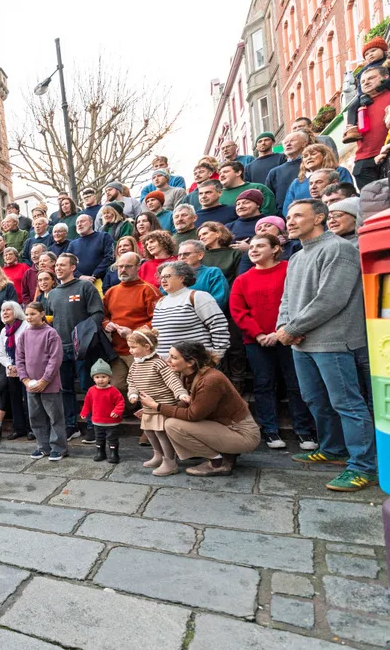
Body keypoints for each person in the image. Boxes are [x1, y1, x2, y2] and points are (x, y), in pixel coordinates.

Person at [277, 199, 377, 491]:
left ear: (320, 217)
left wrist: (293, 328)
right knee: (315, 400)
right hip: (301, 343)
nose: (290, 221)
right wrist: (284, 326)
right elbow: (287, 299)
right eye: (288, 216)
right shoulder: (296, 257)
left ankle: (363, 466)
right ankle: (333, 449)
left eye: (298, 216)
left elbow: (331, 299)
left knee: (347, 404)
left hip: (334, 342)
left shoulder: (339, 249)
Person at [230, 233, 318, 451]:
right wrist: (259, 334)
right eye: (251, 247)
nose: (254, 249)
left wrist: (282, 332)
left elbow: (300, 299)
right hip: (257, 341)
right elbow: (238, 311)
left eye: (260, 245)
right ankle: (269, 429)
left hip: (291, 336)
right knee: (263, 384)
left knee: (296, 383)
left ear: (276, 248)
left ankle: (304, 429)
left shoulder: (290, 269)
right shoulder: (243, 279)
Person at [139, 342, 261, 476]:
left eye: (173, 357)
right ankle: (224, 454)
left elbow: (193, 415)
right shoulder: (186, 374)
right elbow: (186, 404)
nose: (168, 361)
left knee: (173, 425)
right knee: (170, 419)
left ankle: (217, 463)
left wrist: (157, 407)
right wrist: (153, 410)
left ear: (190, 362)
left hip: (242, 434)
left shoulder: (210, 380)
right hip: (225, 426)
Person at [43, 253, 104, 440]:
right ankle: (71, 425)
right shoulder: (52, 294)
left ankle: (93, 425)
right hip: (61, 349)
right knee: (66, 389)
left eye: (63, 265)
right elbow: (49, 321)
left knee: (88, 387)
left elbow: (97, 314)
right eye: (57, 266)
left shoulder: (85, 286)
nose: (59, 268)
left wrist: (83, 336)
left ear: (73, 267)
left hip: (83, 349)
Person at [126, 328, 191, 476]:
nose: (130, 351)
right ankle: (158, 455)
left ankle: (170, 461)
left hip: (162, 405)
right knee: (149, 431)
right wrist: (133, 393)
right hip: (147, 406)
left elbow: (172, 380)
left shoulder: (158, 363)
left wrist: (181, 393)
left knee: (161, 433)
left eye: (133, 347)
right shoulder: (135, 365)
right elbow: (132, 382)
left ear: (146, 347)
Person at [102, 252, 160, 396]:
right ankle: (126, 414)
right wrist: (106, 324)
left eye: (128, 266)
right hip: (118, 350)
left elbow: (159, 320)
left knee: (145, 388)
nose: (123, 270)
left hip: (142, 351)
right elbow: (103, 316)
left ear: (138, 267)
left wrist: (134, 333)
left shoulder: (148, 290)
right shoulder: (111, 292)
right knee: (117, 387)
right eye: (120, 266)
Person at [16, 302, 67, 460]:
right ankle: (43, 446)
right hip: (30, 385)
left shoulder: (51, 333)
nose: (29, 317)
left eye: (33, 314)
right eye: (27, 314)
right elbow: (19, 358)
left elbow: (55, 359)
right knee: (36, 417)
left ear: (42, 314)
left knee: (54, 417)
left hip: (49, 385)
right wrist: (24, 379)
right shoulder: (24, 334)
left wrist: (45, 380)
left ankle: (59, 447)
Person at [151, 260, 230, 360]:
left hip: (194, 365)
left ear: (181, 277)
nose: (163, 280)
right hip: (166, 368)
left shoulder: (198, 296)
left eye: (167, 276)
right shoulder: (160, 302)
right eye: (161, 277)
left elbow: (219, 326)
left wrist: (216, 357)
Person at [0, 300, 31, 440]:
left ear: (16, 311)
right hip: (12, 370)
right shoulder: (4, 331)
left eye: (8, 310)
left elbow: (30, 349)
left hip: (27, 368)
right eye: (3, 311)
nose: (5, 313)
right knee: (15, 398)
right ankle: (19, 428)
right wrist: (10, 365)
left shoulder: (26, 326)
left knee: (28, 399)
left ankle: (31, 428)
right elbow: (0, 353)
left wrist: (20, 365)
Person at [282, 143, 354, 215]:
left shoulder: (339, 171)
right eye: (305, 156)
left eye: (313, 154)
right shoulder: (297, 182)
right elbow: (287, 209)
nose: (309, 158)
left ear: (325, 155)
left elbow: (347, 194)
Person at [350, 65, 390, 188]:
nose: (366, 82)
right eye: (363, 81)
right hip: (364, 160)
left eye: (371, 78)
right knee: (372, 204)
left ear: (385, 77)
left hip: (386, 153)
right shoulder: (358, 104)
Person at [80, 359, 125, 463]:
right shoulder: (91, 390)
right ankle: (100, 452)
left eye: (103, 377)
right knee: (99, 438)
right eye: (97, 377)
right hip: (97, 420)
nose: (100, 380)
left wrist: (117, 411)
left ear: (109, 377)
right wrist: (84, 412)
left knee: (112, 438)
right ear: (93, 378)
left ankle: (114, 454)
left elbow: (120, 402)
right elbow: (87, 403)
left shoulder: (113, 390)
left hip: (112, 421)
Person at [175, 239, 229, 307]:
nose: (182, 257)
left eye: (186, 254)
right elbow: (162, 299)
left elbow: (219, 300)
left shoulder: (212, 272)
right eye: (179, 255)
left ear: (200, 255)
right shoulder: (173, 275)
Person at [265, 130, 311, 209]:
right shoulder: (275, 172)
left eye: (292, 141)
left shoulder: (312, 165)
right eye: (285, 142)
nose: (288, 144)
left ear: (304, 143)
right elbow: (269, 198)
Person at [69, 213, 115, 284]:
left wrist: (95, 275)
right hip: (79, 283)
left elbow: (110, 257)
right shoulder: (72, 244)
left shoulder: (104, 237)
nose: (79, 224)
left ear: (91, 223)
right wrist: (80, 276)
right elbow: (67, 263)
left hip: (102, 281)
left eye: (82, 221)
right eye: (77, 223)